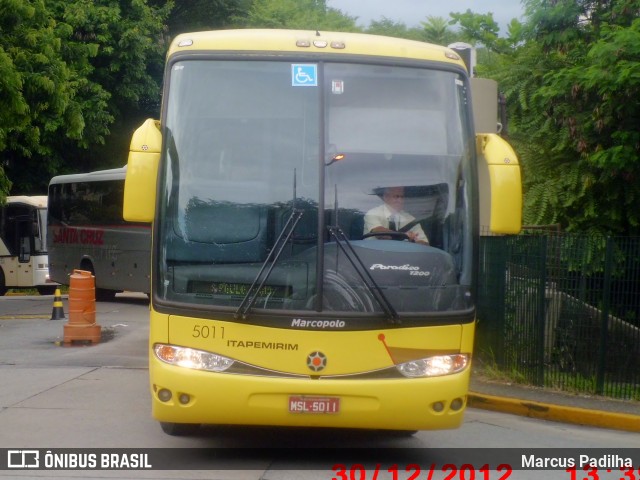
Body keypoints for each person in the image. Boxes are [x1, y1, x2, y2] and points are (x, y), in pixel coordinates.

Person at [363, 186, 429, 245]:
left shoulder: (410, 219)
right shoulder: (373, 213)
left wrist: (414, 241)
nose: (400, 200)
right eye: (396, 197)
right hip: (372, 254)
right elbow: (379, 233)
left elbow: (425, 245)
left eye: (402, 197)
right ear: (386, 197)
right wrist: (404, 235)